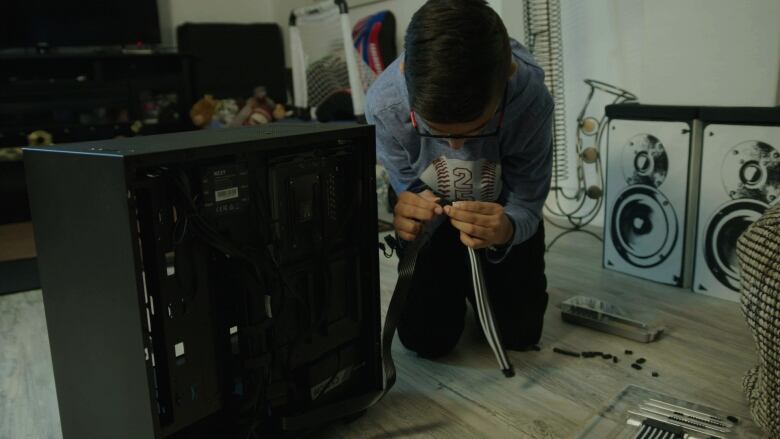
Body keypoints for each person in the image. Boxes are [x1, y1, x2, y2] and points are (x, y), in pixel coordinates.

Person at [365, 0, 553, 358]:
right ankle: (459, 281)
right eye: (434, 131)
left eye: (477, 129)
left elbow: (528, 201)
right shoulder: (385, 104)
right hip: (434, 210)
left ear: (508, 76)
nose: (455, 146)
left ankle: (481, 280)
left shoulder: (531, 101)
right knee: (425, 341)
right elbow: (405, 183)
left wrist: (507, 230)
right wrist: (410, 210)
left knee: (520, 334)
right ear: (406, 73)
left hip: (501, 212)